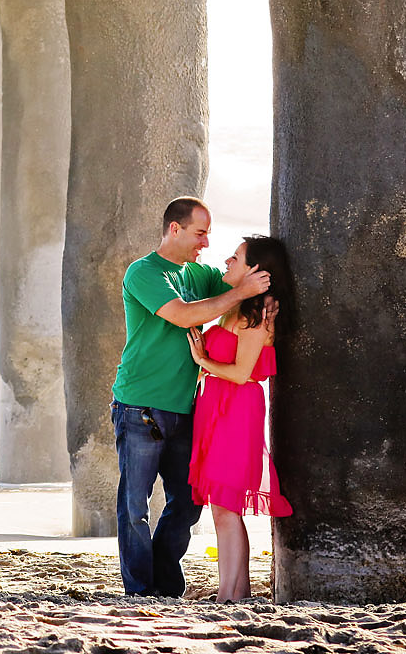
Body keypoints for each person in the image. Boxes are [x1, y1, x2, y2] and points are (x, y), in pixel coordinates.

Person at [111, 196, 270, 597]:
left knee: (187, 503)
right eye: (200, 234)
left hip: (188, 408)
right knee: (134, 508)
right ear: (175, 229)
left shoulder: (197, 275)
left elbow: (240, 288)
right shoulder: (144, 272)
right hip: (140, 404)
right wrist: (240, 292)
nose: (205, 244)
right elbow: (184, 314)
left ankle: (166, 585)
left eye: (209, 235)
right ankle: (141, 591)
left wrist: (265, 290)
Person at [187, 236, 294, 602]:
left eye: (236, 258)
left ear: (255, 271)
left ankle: (229, 596)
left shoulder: (258, 312)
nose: (227, 262)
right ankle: (234, 592)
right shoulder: (235, 307)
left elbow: (242, 371)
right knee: (222, 507)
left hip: (236, 411)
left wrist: (203, 362)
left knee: (226, 506)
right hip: (217, 407)